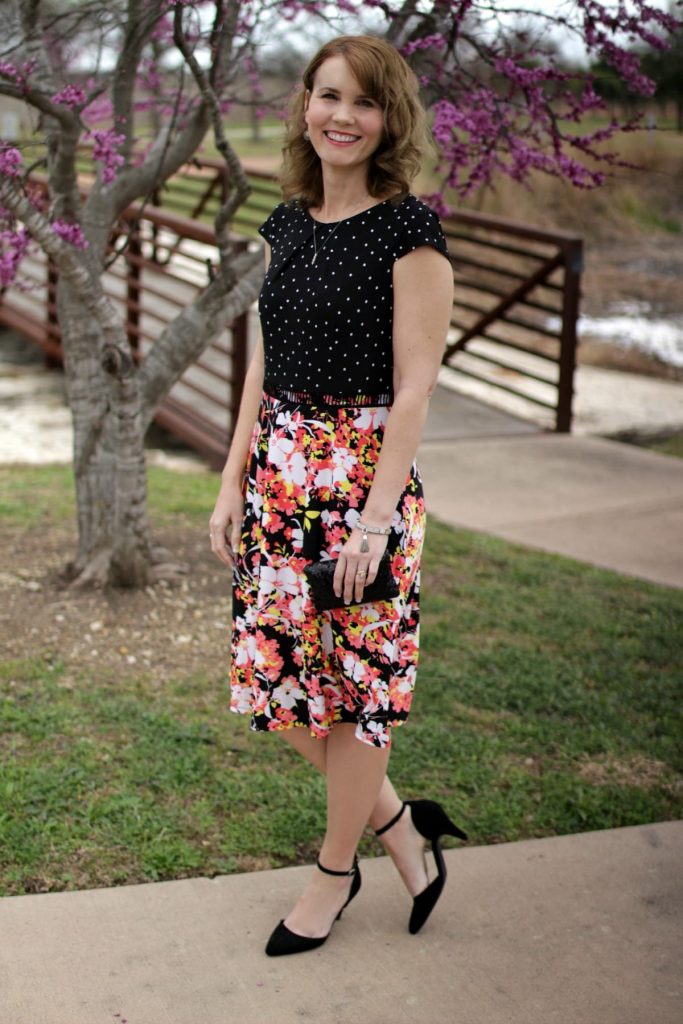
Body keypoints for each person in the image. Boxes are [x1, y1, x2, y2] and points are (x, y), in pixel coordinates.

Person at [209, 33, 467, 958]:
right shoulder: (284, 223)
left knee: (357, 694)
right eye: (326, 96)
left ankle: (332, 871)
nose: (340, 117)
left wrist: (374, 519)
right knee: (277, 685)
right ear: (304, 107)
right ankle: (401, 829)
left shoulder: (411, 233)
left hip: (362, 484)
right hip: (278, 475)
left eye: (361, 102)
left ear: (387, 118)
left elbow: (415, 388)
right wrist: (234, 473)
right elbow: (262, 361)